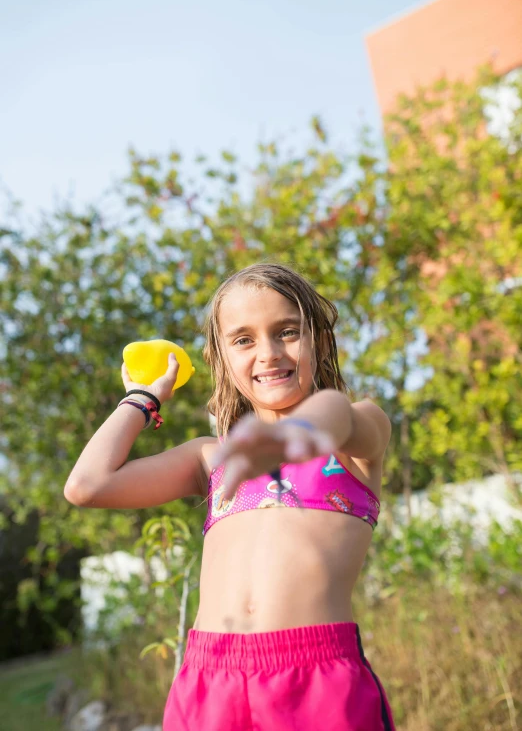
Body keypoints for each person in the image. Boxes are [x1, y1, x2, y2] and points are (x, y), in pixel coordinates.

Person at [65, 262, 395, 731]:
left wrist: (296, 434)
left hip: (315, 678)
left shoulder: (353, 439)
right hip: (206, 682)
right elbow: (86, 485)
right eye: (244, 340)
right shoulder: (211, 458)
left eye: (287, 332)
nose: (268, 353)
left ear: (319, 341)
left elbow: (337, 412)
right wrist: (141, 398)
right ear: (221, 357)